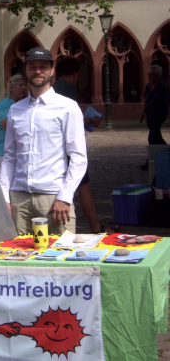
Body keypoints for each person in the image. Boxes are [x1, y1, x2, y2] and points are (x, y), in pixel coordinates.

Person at [0, 47, 87, 235]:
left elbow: (78, 157)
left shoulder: (67, 107)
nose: (38, 71)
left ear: (52, 71)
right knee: (18, 257)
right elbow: (9, 157)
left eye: (43, 67)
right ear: (26, 71)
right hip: (19, 198)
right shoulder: (16, 110)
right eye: (32, 67)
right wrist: (3, 197)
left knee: (60, 257)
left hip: (53, 198)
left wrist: (65, 196)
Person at [52, 55, 118, 235]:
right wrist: (90, 120)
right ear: (75, 72)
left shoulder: (53, 88)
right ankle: (96, 226)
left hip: (56, 147)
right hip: (69, 148)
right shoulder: (68, 89)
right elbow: (73, 121)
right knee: (83, 185)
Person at [0, 74, 27, 176]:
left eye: (25, 85)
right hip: (3, 152)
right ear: (11, 88)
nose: (24, 88)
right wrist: (20, 108)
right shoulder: (2, 105)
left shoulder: (28, 103)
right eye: (20, 85)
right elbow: (5, 124)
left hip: (22, 151)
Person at [139, 65, 169, 170]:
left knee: (152, 137)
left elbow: (165, 103)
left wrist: (163, 115)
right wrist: (143, 114)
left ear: (158, 75)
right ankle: (166, 152)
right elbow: (147, 101)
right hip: (150, 116)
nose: (149, 77)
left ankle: (149, 161)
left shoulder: (163, 87)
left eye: (151, 75)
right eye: (149, 74)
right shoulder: (148, 86)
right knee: (157, 138)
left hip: (158, 115)